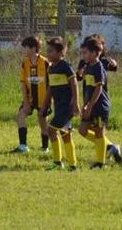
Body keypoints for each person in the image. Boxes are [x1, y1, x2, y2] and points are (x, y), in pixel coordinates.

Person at [78, 37, 122, 168]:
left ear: (94, 53)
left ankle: (100, 162)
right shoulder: (88, 66)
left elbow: (98, 88)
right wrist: (85, 104)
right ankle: (111, 147)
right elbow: (86, 86)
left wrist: (90, 106)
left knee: (99, 133)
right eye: (83, 52)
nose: (83, 55)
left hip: (100, 106)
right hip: (90, 105)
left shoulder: (98, 67)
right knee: (82, 130)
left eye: (85, 53)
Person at [40, 37, 80, 170]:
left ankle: (58, 163)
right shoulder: (51, 68)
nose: (48, 54)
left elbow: (74, 83)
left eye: (51, 51)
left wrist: (76, 103)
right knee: (65, 134)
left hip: (66, 107)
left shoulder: (65, 66)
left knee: (51, 130)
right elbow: (51, 88)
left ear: (61, 52)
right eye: (48, 51)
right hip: (59, 107)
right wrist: (45, 105)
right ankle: (72, 165)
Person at [13, 36, 50, 153]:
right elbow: (23, 83)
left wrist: (49, 101)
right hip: (30, 99)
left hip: (43, 100)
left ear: (33, 48)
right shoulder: (25, 63)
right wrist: (26, 102)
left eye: (26, 48)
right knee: (20, 116)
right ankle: (23, 146)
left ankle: (45, 148)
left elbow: (52, 84)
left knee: (42, 122)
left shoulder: (45, 63)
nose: (24, 51)